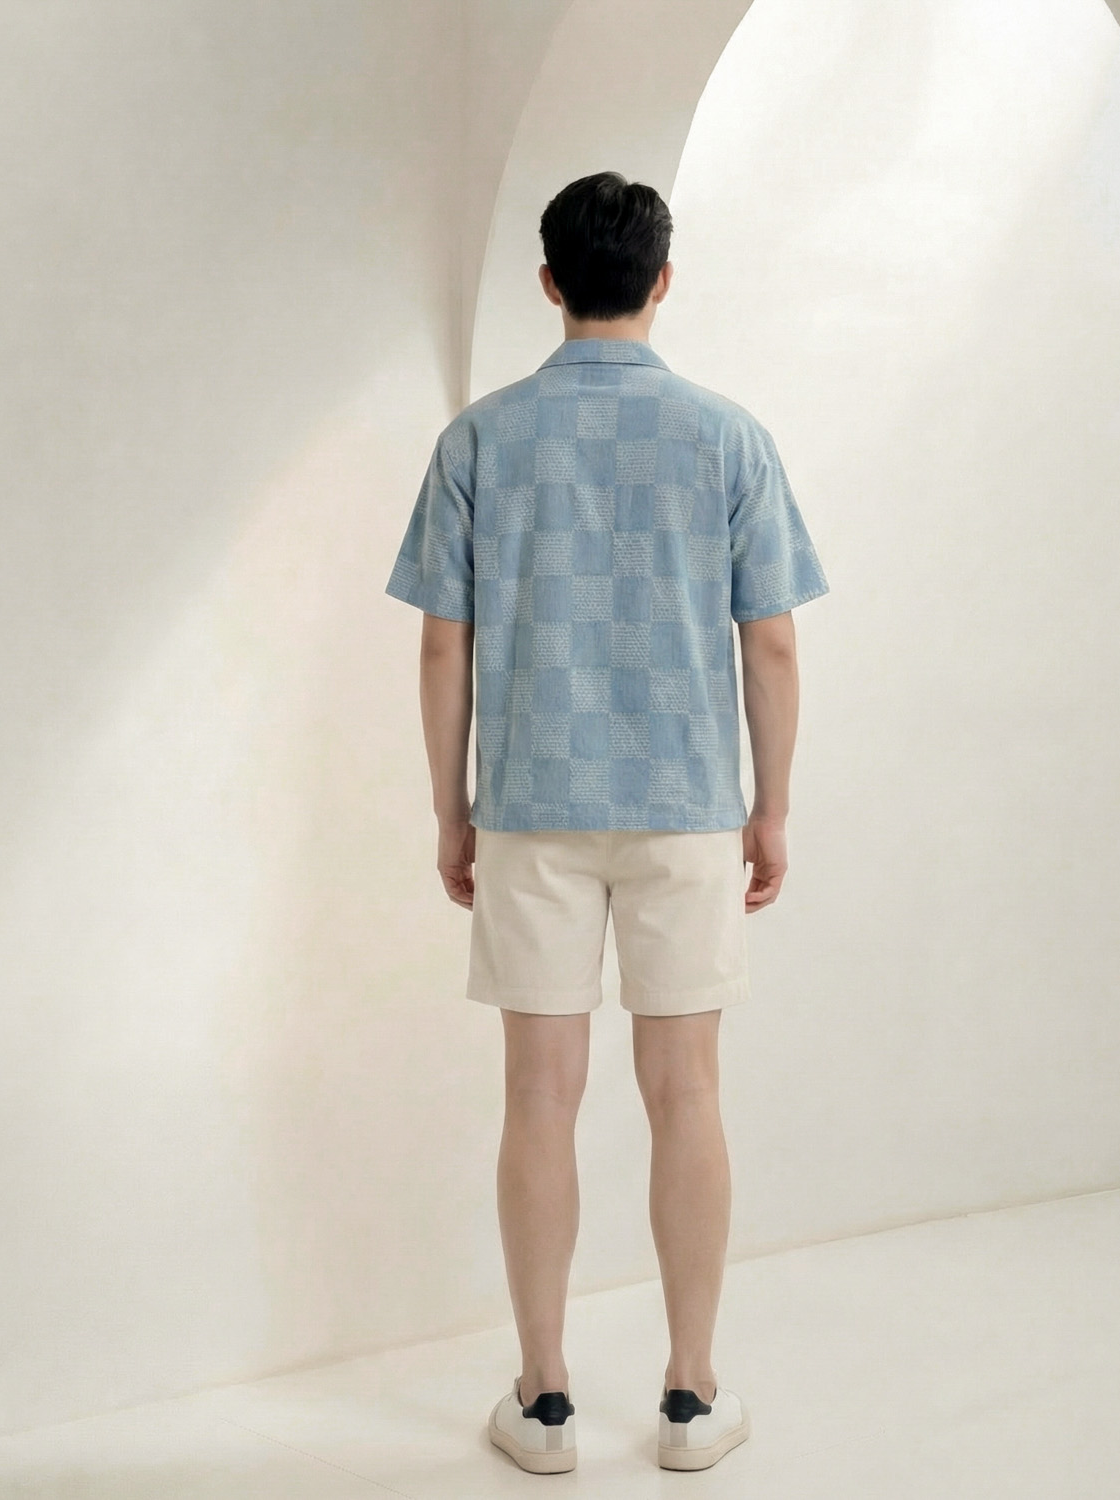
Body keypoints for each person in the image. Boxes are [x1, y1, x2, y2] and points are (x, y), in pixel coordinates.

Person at [383, 170, 829, 1474]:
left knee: (539, 1094)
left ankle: (544, 1399)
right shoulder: (728, 437)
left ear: (548, 283)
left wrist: (451, 811)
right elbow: (773, 643)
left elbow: (442, 647)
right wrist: (771, 808)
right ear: (663, 282)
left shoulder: (479, 441)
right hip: (687, 808)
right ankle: (691, 1396)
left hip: (531, 807)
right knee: (687, 1091)